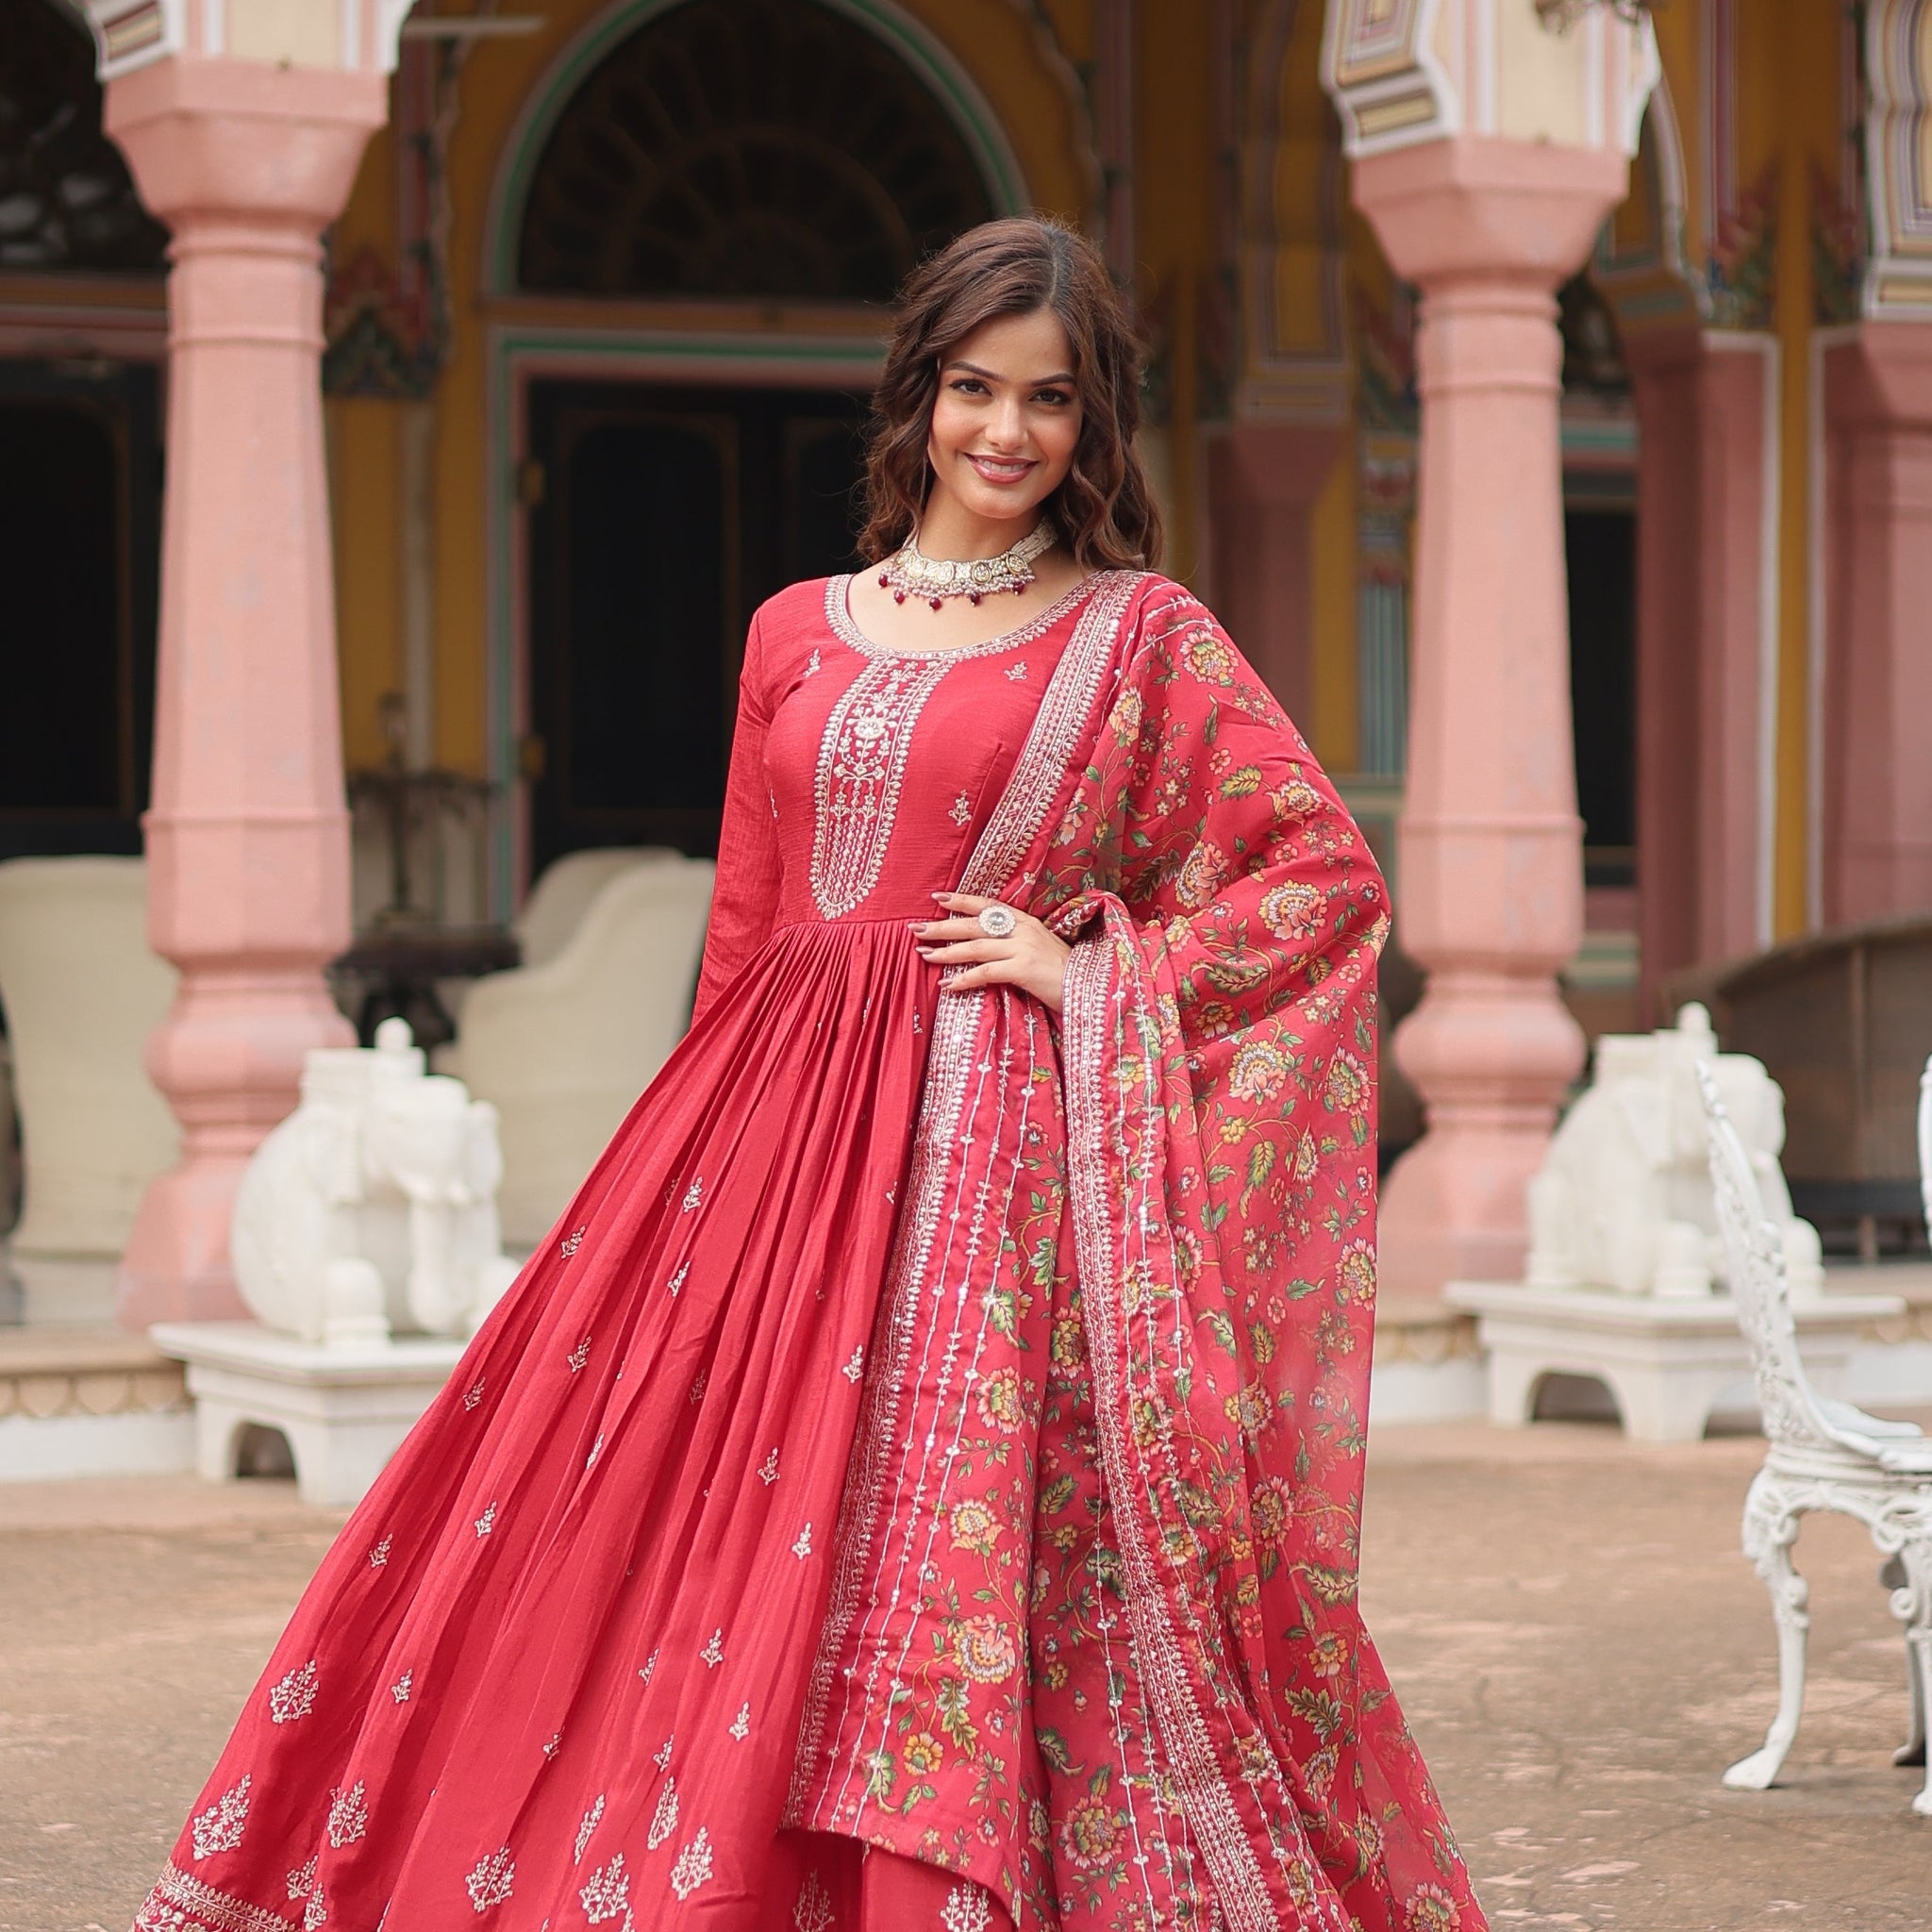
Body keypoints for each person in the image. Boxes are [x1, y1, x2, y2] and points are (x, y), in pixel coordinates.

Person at [133, 216, 1486, 1932]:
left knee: (952, 1544)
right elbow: (749, 924)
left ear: (1095, 425)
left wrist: (1098, 970)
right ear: (920, 395)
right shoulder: (794, 627)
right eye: (977, 390)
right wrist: (685, 1190)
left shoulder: (1142, 636)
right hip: (763, 1138)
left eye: (1050, 401)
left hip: (991, 1166)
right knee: (657, 1515)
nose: (1007, 434)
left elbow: (1321, 878)